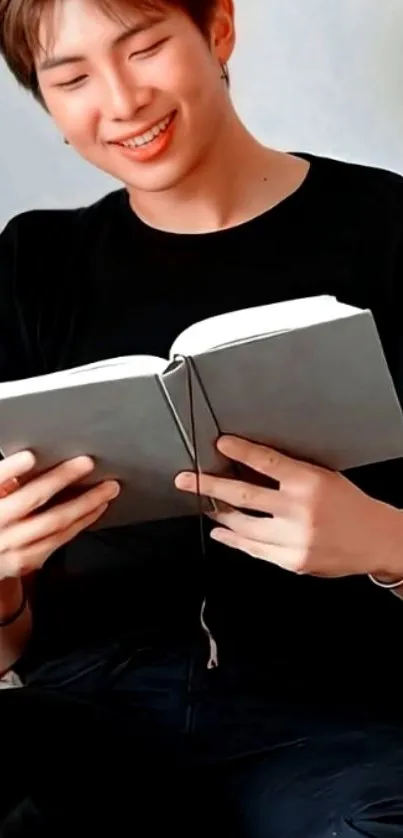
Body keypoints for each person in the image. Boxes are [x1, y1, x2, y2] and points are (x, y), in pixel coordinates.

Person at [1, 0, 403, 834]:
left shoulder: (388, 229)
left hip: (337, 721)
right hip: (87, 713)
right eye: (70, 78)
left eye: (144, 48)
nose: (120, 102)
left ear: (217, 29)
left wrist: (379, 542)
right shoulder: (34, 266)